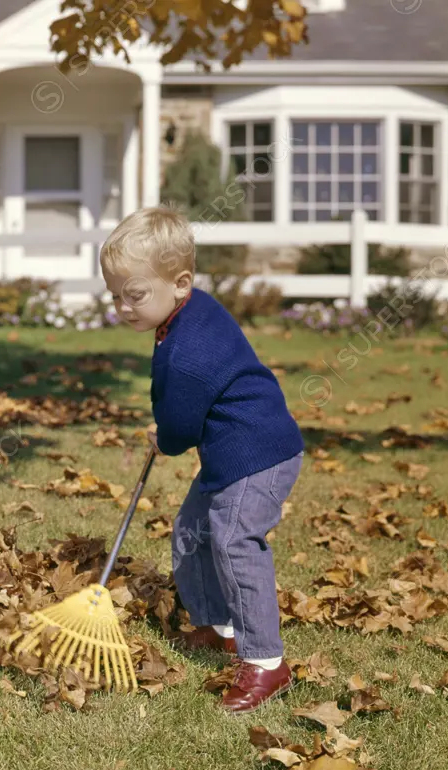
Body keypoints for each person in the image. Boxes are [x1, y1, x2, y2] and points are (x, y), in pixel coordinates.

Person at [100, 206, 305, 714]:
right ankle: (220, 629)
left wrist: (163, 438)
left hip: (260, 455)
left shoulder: (189, 349)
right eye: (115, 295)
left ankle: (265, 662)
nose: (123, 307)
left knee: (235, 540)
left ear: (180, 282)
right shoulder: (185, 312)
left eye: (135, 294)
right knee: (192, 529)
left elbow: (181, 421)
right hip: (229, 454)